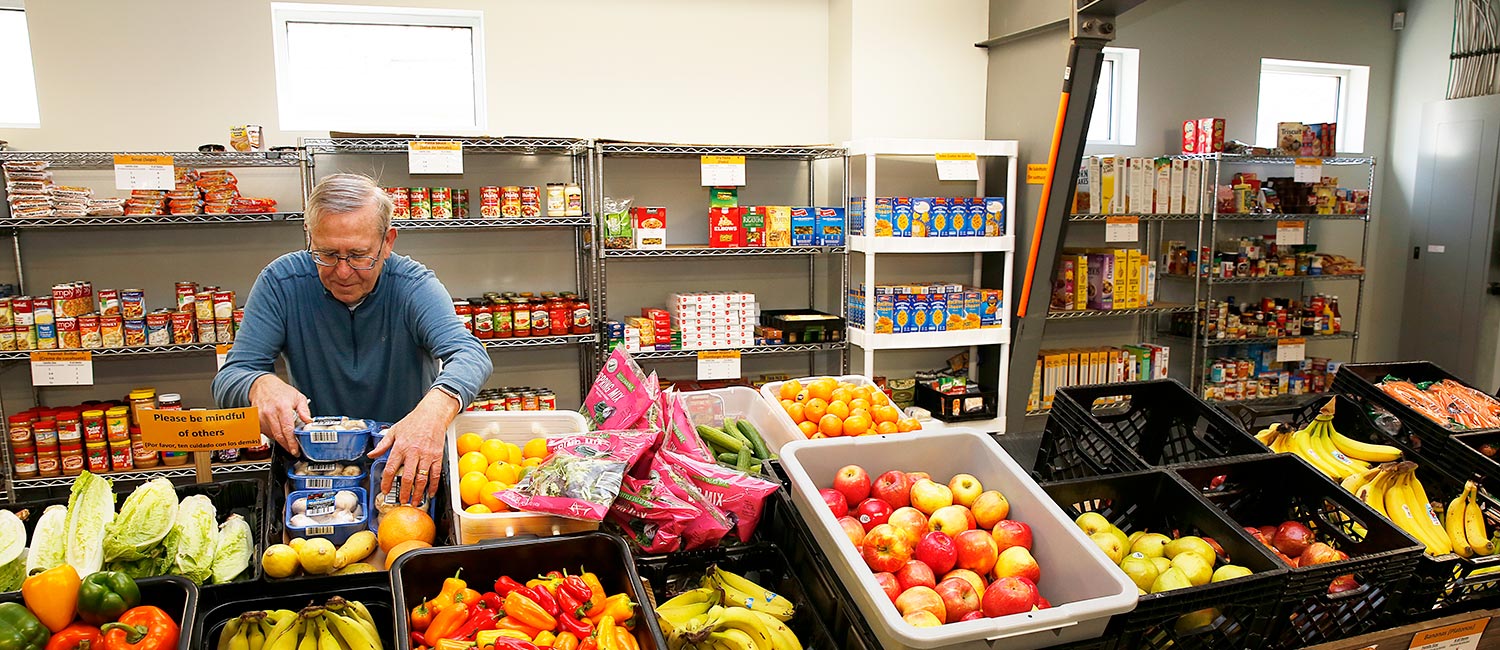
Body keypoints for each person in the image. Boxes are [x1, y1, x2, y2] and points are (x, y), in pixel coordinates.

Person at [213, 173, 491, 504]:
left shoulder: (413, 285)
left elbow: (470, 354)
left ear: (388, 242)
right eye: (327, 254)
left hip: (405, 467)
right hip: (315, 476)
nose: (343, 271)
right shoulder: (281, 282)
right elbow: (230, 377)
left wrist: (434, 410)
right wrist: (257, 384)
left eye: (359, 255)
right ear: (310, 238)